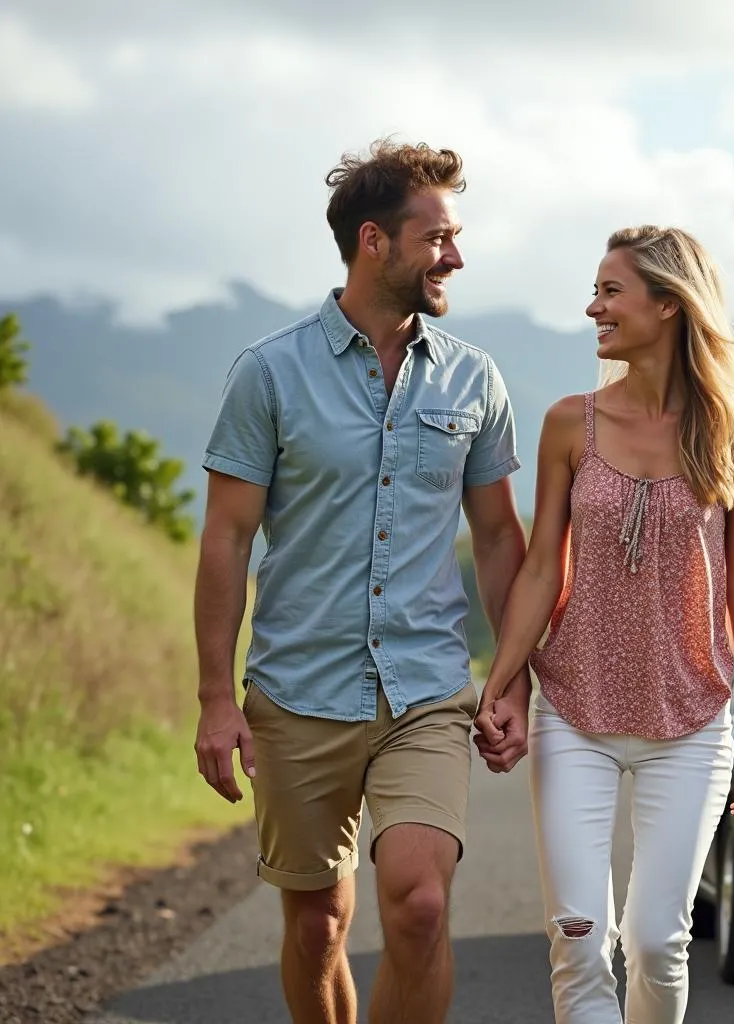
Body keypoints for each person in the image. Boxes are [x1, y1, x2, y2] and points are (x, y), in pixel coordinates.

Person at [192, 139, 531, 1024]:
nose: (455, 255)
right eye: (439, 238)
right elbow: (226, 540)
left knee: (419, 906)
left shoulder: (474, 378)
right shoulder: (269, 373)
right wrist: (213, 699)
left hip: (424, 688)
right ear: (374, 241)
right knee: (319, 928)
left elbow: (498, 537)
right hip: (298, 689)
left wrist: (514, 678)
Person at [475, 225, 734, 1023]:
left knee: (655, 943)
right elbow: (543, 567)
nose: (593, 307)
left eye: (611, 292)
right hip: (576, 710)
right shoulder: (571, 423)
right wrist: (500, 685)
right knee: (577, 940)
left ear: (669, 306)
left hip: (694, 719)